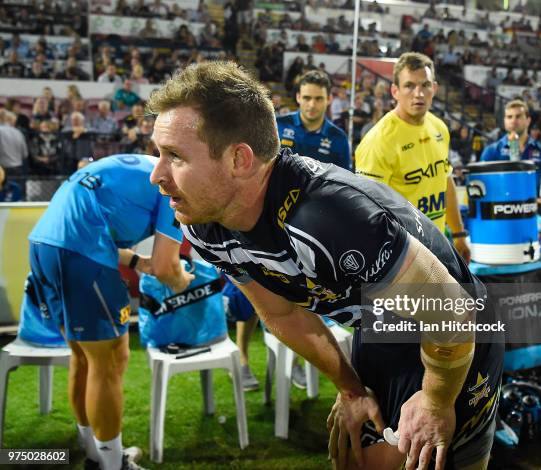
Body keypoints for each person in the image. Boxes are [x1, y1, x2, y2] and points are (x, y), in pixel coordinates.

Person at [147, 62, 503, 470]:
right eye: (159, 154)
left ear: (239, 160)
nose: (157, 175)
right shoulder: (204, 224)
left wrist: (437, 400)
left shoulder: (327, 216)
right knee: (355, 460)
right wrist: (351, 390)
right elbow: (281, 312)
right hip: (384, 325)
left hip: (457, 326)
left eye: (174, 157)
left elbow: (452, 311)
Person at [26, 154, 193, 470]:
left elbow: (85, 221)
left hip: (43, 246)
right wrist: (181, 279)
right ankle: (113, 464)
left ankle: (94, 451)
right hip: (80, 258)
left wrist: (134, 261)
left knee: (84, 357)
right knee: (110, 359)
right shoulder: (178, 183)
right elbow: (166, 267)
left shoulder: (135, 167)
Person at [355, 53, 470, 262]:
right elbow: (366, 214)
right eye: (409, 86)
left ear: (434, 88)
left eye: (425, 85)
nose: (418, 93)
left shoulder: (439, 128)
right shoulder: (378, 141)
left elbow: (446, 181)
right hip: (401, 255)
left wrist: (459, 233)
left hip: (439, 246)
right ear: (395, 91)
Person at [481, 99, 541, 209]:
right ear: (504, 121)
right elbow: (482, 185)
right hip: (499, 216)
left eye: (518, 116)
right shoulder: (492, 151)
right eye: (509, 117)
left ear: (528, 120)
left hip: (530, 215)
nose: (513, 121)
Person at [276, 70, 351, 171]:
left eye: (318, 99)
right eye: (307, 98)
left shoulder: (339, 138)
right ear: (298, 97)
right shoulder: (277, 126)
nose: (312, 105)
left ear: (329, 99)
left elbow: (345, 181)